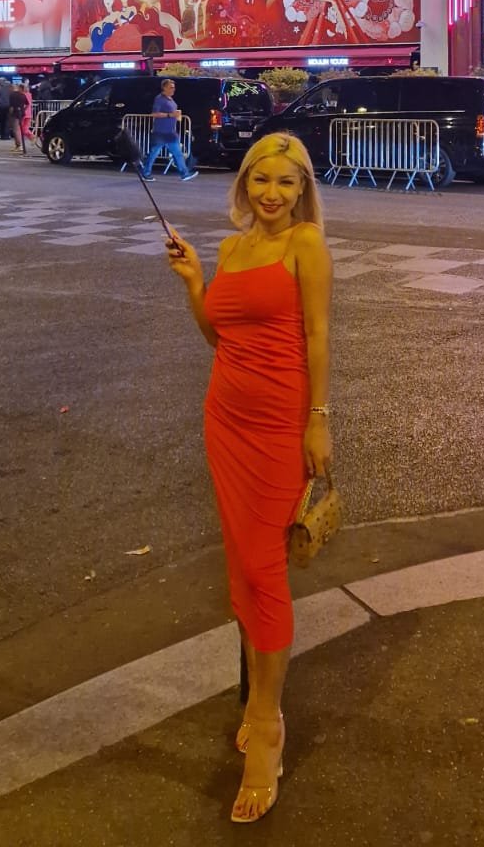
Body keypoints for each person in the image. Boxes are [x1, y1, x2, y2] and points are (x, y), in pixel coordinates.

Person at [165, 133, 333, 823]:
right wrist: (195, 284)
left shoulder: (306, 245)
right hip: (224, 420)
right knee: (241, 567)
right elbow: (218, 335)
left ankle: (266, 722)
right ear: (244, 184)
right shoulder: (232, 249)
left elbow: (318, 336)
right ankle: (260, 700)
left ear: (302, 190)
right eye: (261, 180)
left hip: (278, 424)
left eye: (286, 183)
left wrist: (318, 420)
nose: (272, 194)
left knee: (264, 572)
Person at [142, 78, 197, 179]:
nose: (173, 89)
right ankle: (146, 173)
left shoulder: (171, 99)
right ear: (164, 87)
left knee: (178, 153)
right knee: (154, 153)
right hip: (160, 132)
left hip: (170, 132)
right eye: (171, 87)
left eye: (174, 87)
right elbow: (154, 114)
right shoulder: (160, 99)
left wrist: (176, 116)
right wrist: (170, 115)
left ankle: (184, 174)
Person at [9, 80, 33, 153]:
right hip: (23, 114)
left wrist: (11, 113)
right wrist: (23, 109)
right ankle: (19, 145)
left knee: (16, 130)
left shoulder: (13, 95)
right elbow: (27, 104)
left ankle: (19, 145)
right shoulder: (24, 95)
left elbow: (11, 106)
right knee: (21, 129)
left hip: (16, 114)